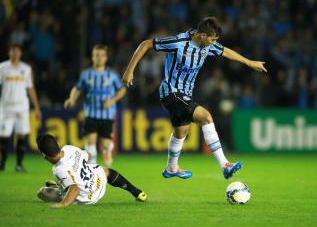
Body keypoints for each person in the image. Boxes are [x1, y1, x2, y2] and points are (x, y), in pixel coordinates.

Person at [122, 17, 267, 179]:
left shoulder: (207, 46)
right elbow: (146, 44)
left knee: (182, 131)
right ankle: (225, 164)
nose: (213, 43)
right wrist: (130, 70)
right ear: (203, 35)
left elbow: (225, 51)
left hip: (184, 94)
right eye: (212, 39)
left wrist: (249, 62)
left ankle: (171, 168)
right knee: (206, 117)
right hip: (171, 92)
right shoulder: (179, 42)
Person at [36, 133, 147, 208]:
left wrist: (62, 205)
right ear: (58, 144)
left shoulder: (59, 169)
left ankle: (62, 187)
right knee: (105, 171)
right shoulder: (68, 148)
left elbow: (75, 189)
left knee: (42, 192)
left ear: (43, 155)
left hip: (87, 197)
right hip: (97, 182)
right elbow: (87, 156)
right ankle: (137, 192)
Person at [64, 44, 126, 167]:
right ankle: (92, 167)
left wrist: (112, 100)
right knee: (90, 141)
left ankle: (107, 150)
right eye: (96, 55)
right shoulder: (86, 74)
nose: (99, 58)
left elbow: (122, 90)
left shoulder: (112, 75)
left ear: (106, 58)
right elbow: (77, 88)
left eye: (102, 55)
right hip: (90, 113)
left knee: (105, 145)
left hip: (107, 115)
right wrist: (72, 99)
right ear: (92, 57)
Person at [0, 44, 41, 172]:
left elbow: (30, 88)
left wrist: (37, 108)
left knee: (21, 135)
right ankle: (2, 163)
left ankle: (19, 164)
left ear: (20, 53)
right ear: (9, 53)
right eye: (13, 51)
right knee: (3, 136)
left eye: (17, 51)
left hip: (22, 107)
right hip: (6, 107)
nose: (15, 53)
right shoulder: (2, 67)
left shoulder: (26, 68)